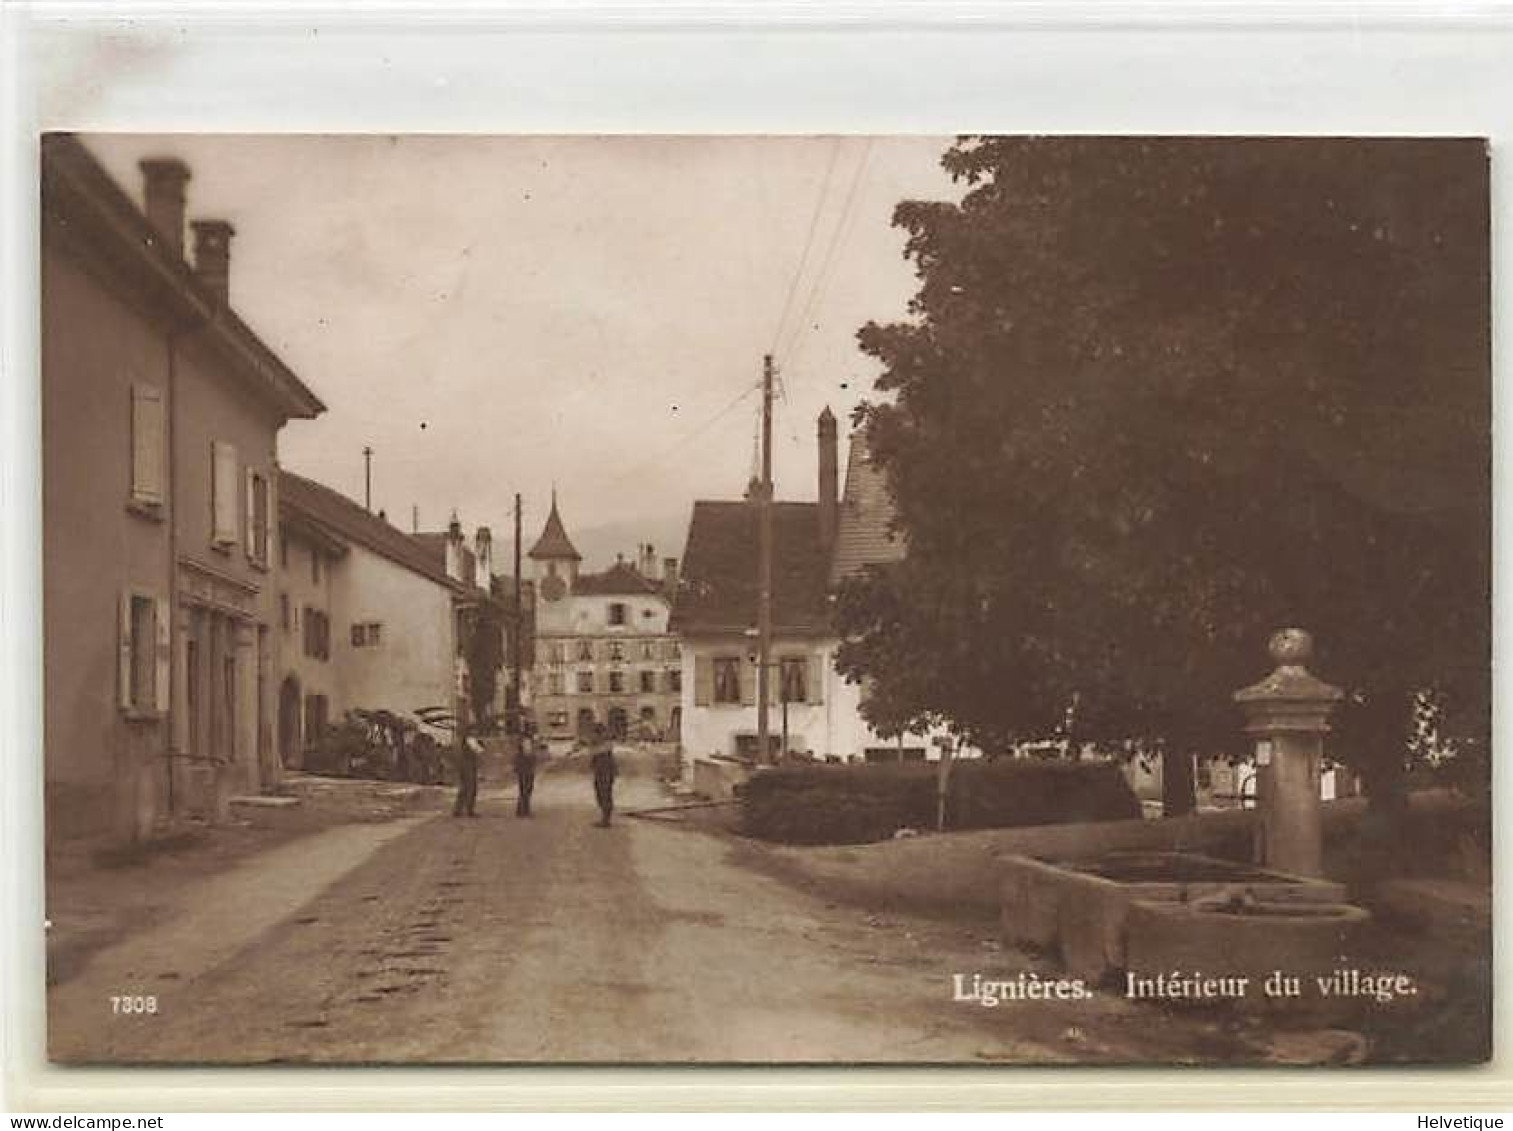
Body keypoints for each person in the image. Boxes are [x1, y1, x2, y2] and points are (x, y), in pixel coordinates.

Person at [590, 727, 618, 828]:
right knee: (600, 793)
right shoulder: (599, 743)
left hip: (606, 772)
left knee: (605, 794)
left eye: (595, 734)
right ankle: (604, 817)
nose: (593, 736)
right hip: (600, 772)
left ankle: (606, 819)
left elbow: (598, 751)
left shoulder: (606, 744)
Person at [452, 733, 481, 818]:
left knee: (464, 788)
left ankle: (458, 810)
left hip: (464, 765)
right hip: (468, 766)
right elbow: (479, 750)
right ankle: (469, 810)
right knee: (470, 788)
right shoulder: (470, 740)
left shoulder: (463, 740)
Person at [513, 733, 537, 817]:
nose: (528, 746)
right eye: (526, 744)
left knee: (528, 789)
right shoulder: (519, 754)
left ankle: (522, 810)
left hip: (529, 771)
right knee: (524, 790)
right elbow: (517, 762)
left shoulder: (530, 752)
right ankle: (523, 810)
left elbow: (533, 759)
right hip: (523, 771)